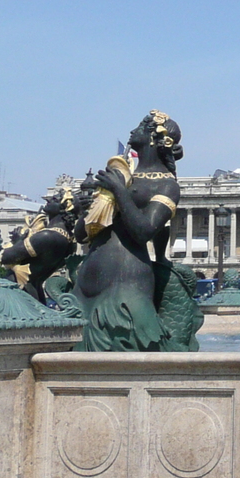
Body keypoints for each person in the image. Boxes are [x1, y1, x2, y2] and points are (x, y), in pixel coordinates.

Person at [74, 111, 186, 352]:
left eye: (140, 127)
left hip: (126, 287)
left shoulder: (167, 185)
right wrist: (87, 211)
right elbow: (81, 235)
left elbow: (144, 231)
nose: (132, 131)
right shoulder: (123, 176)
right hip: (86, 286)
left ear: (154, 138)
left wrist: (119, 192)